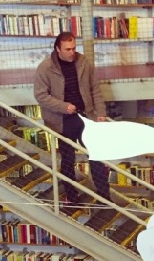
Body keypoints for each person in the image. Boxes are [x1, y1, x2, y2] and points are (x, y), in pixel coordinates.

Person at [34, 32, 111, 204]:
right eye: (67, 49)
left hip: (86, 116)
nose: (72, 52)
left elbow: (94, 89)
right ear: (57, 49)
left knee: (96, 155)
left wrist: (101, 114)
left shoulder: (83, 62)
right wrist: (63, 106)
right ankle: (72, 196)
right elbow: (40, 96)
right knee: (68, 159)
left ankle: (105, 196)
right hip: (62, 120)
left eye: (74, 48)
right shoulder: (45, 68)